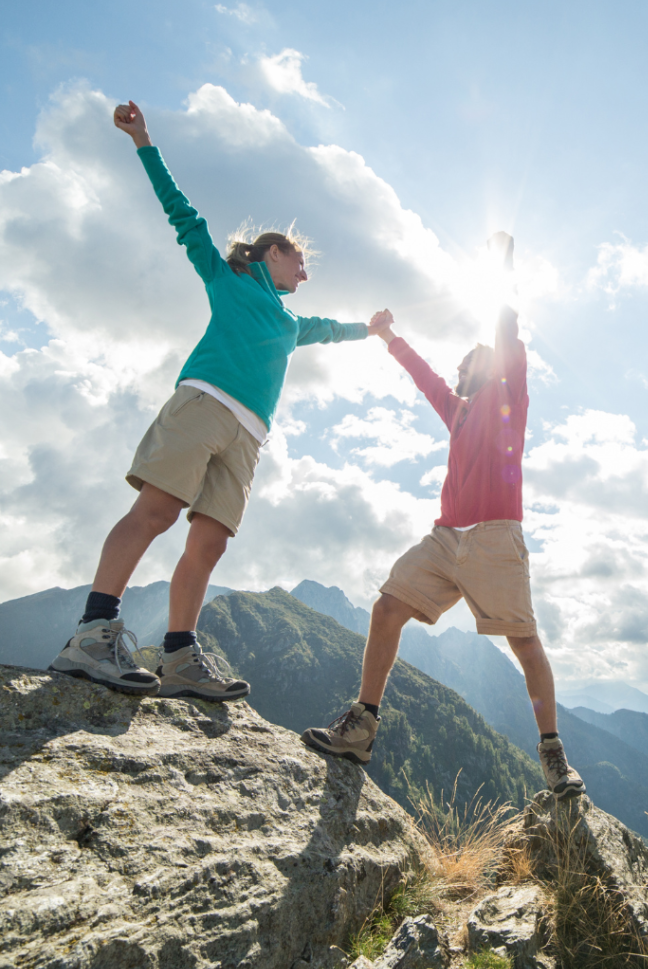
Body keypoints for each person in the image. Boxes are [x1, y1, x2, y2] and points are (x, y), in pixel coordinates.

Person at [49, 100, 392, 702]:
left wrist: (372, 331)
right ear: (272, 252)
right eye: (301, 261)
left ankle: (179, 657)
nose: (305, 274)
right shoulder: (228, 278)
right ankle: (91, 635)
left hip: (248, 436)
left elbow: (329, 329)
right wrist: (143, 141)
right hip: (204, 405)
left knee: (209, 542)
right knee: (155, 512)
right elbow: (183, 215)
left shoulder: (289, 323)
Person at [302, 234, 586, 800]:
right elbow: (421, 374)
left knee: (524, 642)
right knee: (387, 608)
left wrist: (501, 268)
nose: (460, 365)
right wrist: (388, 337)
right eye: (459, 363)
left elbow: (506, 329)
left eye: (470, 358)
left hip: (495, 538)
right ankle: (361, 726)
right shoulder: (455, 412)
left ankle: (553, 755)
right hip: (444, 539)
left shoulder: (512, 397)